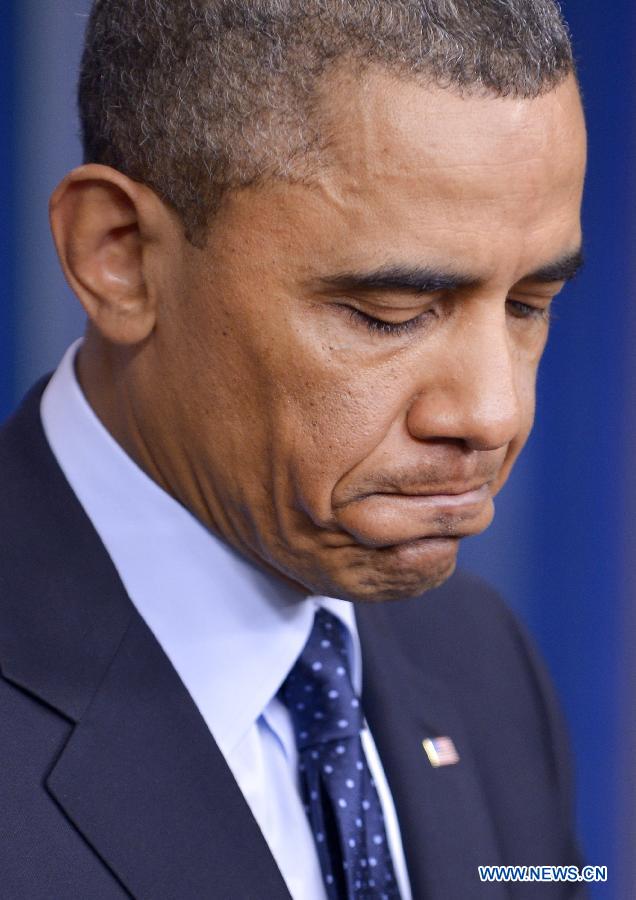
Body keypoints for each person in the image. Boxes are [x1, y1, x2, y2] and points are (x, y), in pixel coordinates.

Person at [0, 1, 588, 897]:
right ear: (117, 255)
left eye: (529, 305)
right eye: (388, 313)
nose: (495, 413)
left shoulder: (483, 661)